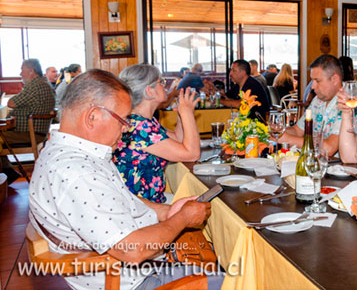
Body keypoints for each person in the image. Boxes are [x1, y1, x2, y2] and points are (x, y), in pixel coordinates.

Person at [29, 69, 222, 290]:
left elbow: (122, 198)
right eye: (123, 119)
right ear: (92, 117)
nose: (127, 127)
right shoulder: (77, 173)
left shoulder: (70, 151)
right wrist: (182, 219)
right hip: (130, 280)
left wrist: (165, 212)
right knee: (243, 281)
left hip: (136, 266)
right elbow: (131, 251)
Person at [113, 64, 201, 204]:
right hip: (140, 206)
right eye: (161, 82)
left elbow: (178, 140)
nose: (165, 86)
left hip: (149, 198)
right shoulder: (139, 127)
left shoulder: (143, 120)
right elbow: (192, 155)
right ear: (149, 91)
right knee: (204, 203)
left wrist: (180, 114)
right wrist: (188, 113)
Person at [276, 54, 357, 157]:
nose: (312, 86)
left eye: (317, 81)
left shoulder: (349, 103)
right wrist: (277, 132)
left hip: (345, 169)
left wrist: (287, 139)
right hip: (319, 165)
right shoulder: (318, 100)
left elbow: (329, 148)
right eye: (312, 80)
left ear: (334, 79)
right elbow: (298, 130)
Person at [1, 59, 55, 184]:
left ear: (31, 71)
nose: (20, 74)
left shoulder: (35, 86)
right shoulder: (43, 83)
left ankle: (6, 173)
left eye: (22, 70)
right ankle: (8, 171)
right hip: (35, 132)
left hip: (29, 133)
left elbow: (11, 103)